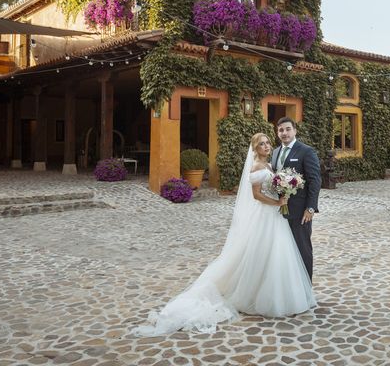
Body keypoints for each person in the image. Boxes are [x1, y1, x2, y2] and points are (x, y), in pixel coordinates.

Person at [134, 133, 316, 336]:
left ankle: (282, 292)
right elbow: (256, 195)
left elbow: (273, 186)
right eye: (261, 144)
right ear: (255, 149)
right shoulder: (256, 166)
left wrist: (283, 191)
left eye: (266, 143)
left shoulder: (269, 162)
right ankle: (257, 294)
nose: (266, 146)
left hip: (274, 215)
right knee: (264, 251)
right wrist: (277, 202)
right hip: (265, 214)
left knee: (277, 252)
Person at [271, 117, 321, 280]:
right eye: (281, 130)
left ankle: (306, 288)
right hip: (278, 210)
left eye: (287, 129)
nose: (284, 133)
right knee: (284, 250)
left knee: (302, 248)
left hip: (300, 211)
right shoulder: (276, 152)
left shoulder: (306, 151)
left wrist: (311, 207)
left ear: (295, 131)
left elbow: (315, 180)